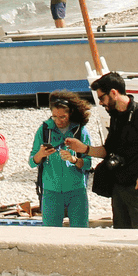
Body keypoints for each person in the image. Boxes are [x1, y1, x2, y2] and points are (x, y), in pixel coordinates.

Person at [73, 72, 138, 229]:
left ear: (113, 93)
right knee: (121, 238)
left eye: (102, 98)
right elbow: (108, 150)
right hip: (119, 189)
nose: (100, 103)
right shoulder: (116, 116)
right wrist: (84, 149)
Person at [29, 92, 93, 229]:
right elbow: (32, 162)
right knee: (51, 236)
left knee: (80, 234)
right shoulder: (44, 130)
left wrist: (74, 159)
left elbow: (88, 164)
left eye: (63, 117)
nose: (58, 121)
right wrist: (40, 154)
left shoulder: (80, 131)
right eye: (55, 117)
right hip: (51, 192)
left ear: (71, 114)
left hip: (77, 191)